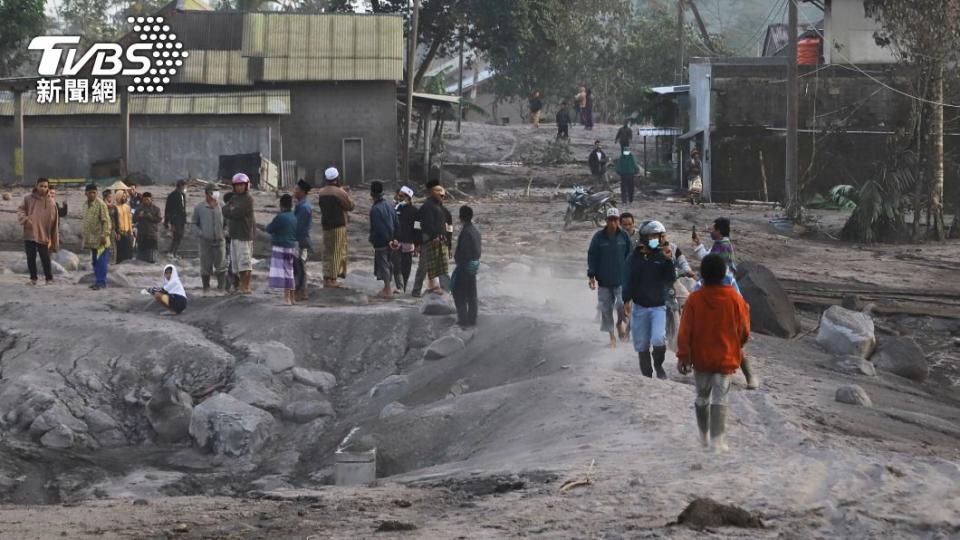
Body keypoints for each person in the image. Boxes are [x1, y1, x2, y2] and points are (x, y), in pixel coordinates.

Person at [677, 254, 751, 452]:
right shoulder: (734, 298)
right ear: (723, 274)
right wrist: (738, 345)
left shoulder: (694, 299)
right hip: (726, 357)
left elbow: (684, 330)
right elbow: (744, 329)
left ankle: (703, 438)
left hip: (701, 358)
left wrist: (684, 355)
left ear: (703, 274)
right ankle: (718, 442)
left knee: (702, 398)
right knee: (720, 398)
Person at [622, 219, 676, 378]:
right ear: (645, 237)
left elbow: (670, 279)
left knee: (659, 339)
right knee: (641, 344)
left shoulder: (662, 255)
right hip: (639, 307)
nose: (656, 239)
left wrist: (669, 261)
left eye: (658, 236)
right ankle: (647, 375)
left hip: (658, 306)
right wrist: (626, 300)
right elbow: (627, 279)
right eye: (652, 236)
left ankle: (659, 366)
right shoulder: (634, 257)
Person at [587, 207, 632, 348]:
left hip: (621, 280)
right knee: (606, 309)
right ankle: (612, 336)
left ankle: (619, 323)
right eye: (610, 220)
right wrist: (591, 276)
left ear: (618, 221)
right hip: (604, 281)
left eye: (615, 220)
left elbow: (630, 255)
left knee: (620, 305)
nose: (613, 223)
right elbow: (592, 256)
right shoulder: (598, 237)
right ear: (606, 221)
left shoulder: (624, 236)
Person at [315, 167, 354, 288]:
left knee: (327, 252)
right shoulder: (340, 192)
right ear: (337, 178)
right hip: (338, 225)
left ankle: (326, 278)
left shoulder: (321, 192)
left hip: (326, 225)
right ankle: (333, 279)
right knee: (336, 252)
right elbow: (350, 206)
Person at [17, 177, 60, 286]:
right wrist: (25, 219)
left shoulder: (51, 202)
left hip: (44, 234)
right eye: (41, 186)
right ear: (36, 186)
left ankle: (49, 279)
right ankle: (33, 279)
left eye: (45, 186)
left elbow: (54, 221)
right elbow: (20, 210)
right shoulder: (28, 198)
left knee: (45, 257)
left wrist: (53, 237)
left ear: (48, 188)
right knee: (30, 256)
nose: (43, 188)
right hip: (30, 233)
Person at [416, 180, 453, 295]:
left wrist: (449, 245)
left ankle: (445, 290)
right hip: (429, 241)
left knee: (443, 268)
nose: (442, 197)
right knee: (424, 266)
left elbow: (449, 228)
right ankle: (416, 291)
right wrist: (418, 242)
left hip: (442, 242)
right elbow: (420, 225)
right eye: (440, 194)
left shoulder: (444, 211)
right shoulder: (426, 208)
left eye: (443, 195)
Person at [221, 173, 256, 294]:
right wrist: (231, 209)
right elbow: (225, 210)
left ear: (246, 186)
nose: (239, 187)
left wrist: (231, 209)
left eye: (242, 185)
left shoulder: (248, 199)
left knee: (245, 264)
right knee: (236, 265)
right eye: (237, 185)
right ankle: (240, 286)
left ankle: (245, 287)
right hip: (234, 235)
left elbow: (236, 213)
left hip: (244, 236)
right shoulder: (234, 198)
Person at [192, 183, 227, 294]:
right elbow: (194, 223)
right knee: (205, 267)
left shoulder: (223, 206)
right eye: (213, 191)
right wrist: (200, 233)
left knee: (221, 266)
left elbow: (228, 223)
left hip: (220, 241)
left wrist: (225, 232)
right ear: (207, 194)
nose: (216, 194)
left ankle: (221, 288)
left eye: (217, 191)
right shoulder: (199, 208)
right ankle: (206, 289)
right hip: (205, 242)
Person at [451, 205, 481, 327]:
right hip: (474, 264)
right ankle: (472, 319)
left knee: (459, 291)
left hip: (465, 265)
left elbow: (464, 252)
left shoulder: (466, 232)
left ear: (460, 217)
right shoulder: (475, 231)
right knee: (471, 293)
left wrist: (459, 263)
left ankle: (463, 320)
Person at [266, 194, 298, 305]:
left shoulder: (280, 217)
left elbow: (269, 229)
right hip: (292, 247)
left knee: (285, 273)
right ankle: (292, 298)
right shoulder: (294, 217)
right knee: (290, 271)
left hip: (280, 247)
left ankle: (286, 298)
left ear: (281, 205)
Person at [369, 181, 399, 298]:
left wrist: (388, 240)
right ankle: (387, 287)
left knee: (383, 264)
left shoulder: (375, 210)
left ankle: (387, 289)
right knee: (389, 263)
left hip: (382, 241)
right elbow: (397, 223)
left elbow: (379, 228)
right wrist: (395, 239)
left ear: (371, 194)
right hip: (392, 239)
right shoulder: (391, 206)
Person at [82, 183, 112, 290]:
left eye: (94, 193)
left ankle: (101, 283)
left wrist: (104, 235)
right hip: (92, 240)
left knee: (101, 262)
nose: (92, 195)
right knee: (95, 262)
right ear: (86, 193)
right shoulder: (85, 205)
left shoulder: (101, 205)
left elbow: (107, 222)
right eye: (90, 193)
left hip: (101, 240)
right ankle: (97, 281)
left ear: (97, 193)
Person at [394, 186, 418, 293]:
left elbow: (418, 228)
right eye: (399, 196)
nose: (399, 198)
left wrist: (417, 244)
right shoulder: (396, 209)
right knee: (396, 265)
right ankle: (399, 287)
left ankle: (404, 286)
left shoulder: (415, 211)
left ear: (408, 198)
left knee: (406, 266)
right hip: (396, 242)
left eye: (401, 196)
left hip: (409, 242)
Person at [293, 179, 313, 301]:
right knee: (299, 266)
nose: (295, 192)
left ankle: (301, 291)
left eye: (296, 190)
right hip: (300, 240)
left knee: (300, 266)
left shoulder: (304, 207)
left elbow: (299, 227)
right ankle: (300, 291)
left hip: (301, 241)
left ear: (302, 192)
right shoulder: (301, 205)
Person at [134, 192, 162, 263]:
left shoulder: (156, 209)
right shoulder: (139, 208)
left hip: (152, 233)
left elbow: (159, 219)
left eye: (147, 199)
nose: (146, 201)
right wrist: (139, 216)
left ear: (151, 199)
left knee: (151, 253)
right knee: (141, 252)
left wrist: (151, 217)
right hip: (142, 233)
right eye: (144, 199)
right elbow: (134, 219)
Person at [164, 180, 188, 258]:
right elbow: (167, 208)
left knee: (180, 235)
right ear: (180, 186)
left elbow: (183, 207)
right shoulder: (172, 195)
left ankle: (174, 253)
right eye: (184, 186)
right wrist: (167, 221)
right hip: (175, 218)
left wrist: (185, 219)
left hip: (181, 219)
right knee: (176, 235)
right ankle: (170, 252)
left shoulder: (183, 195)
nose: (185, 188)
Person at [114, 191, 134, 263]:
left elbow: (130, 220)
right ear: (118, 197)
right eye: (123, 197)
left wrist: (131, 233)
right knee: (120, 252)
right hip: (119, 233)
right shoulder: (115, 207)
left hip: (127, 233)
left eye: (125, 197)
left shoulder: (127, 207)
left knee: (129, 252)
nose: (125, 198)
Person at [103, 189, 119, 264]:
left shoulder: (114, 207)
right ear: (105, 197)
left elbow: (117, 219)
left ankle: (113, 261)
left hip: (112, 229)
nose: (110, 198)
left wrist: (117, 231)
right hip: (103, 229)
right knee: (104, 245)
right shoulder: (101, 206)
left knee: (112, 245)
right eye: (109, 197)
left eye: (111, 196)